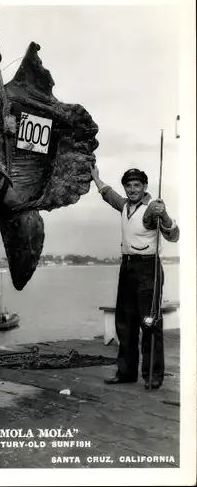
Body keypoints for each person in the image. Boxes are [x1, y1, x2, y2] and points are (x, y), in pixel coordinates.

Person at [90, 165, 179, 389]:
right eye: (128, 186)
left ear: (145, 186)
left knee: (149, 323)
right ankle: (126, 372)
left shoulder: (152, 209)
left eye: (137, 185)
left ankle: (153, 377)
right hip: (127, 267)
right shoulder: (125, 206)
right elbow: (109, 195)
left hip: (148, 269)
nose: (132, 189)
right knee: (125, 322)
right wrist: (96, 178)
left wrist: (165, 215)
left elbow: (174, 236)